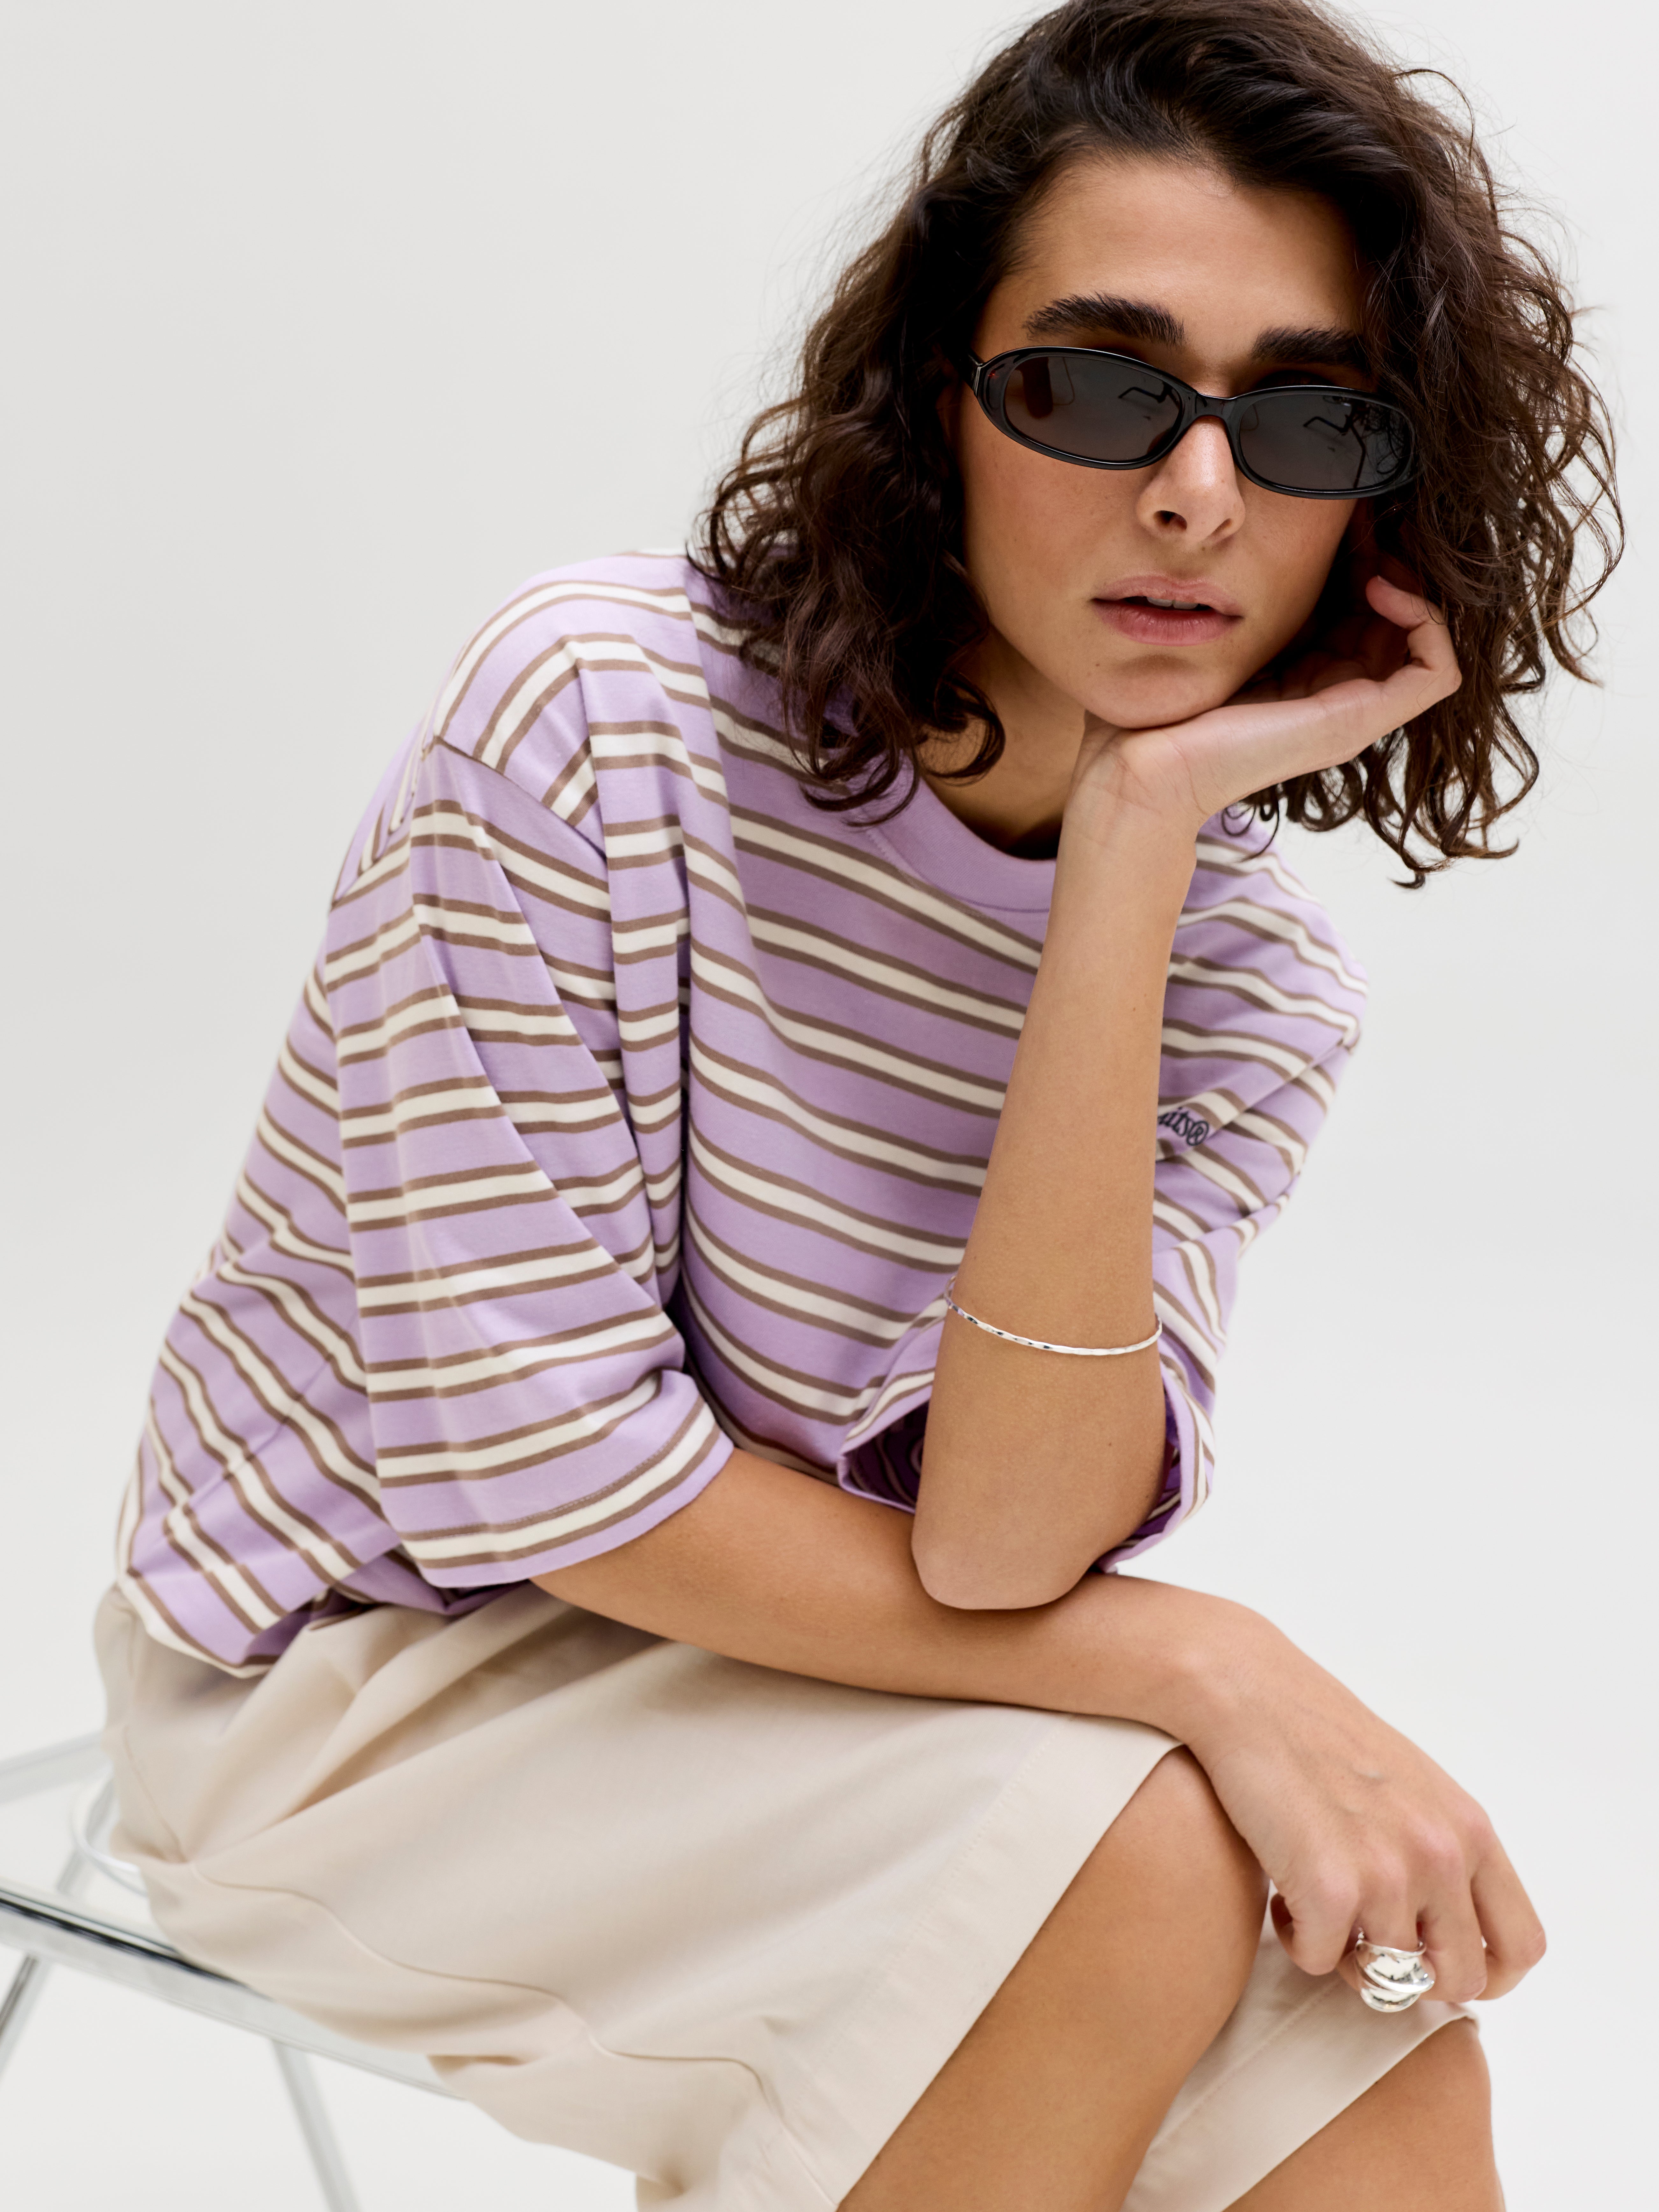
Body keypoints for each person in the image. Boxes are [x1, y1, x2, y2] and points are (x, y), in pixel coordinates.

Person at [94, 2, 1620, 2206]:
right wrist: (1213, 1661)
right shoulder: (600, 720)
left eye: (1306, 420)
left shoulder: (1252, 989)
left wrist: (1133, 848)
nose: (1196, 492)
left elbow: (1001, 1541)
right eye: (1095, 388)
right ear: (937, 398)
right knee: (1147, 1861)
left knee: (1372, 2028)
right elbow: (553, 1482)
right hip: (349, 1689)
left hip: (804, 1693)